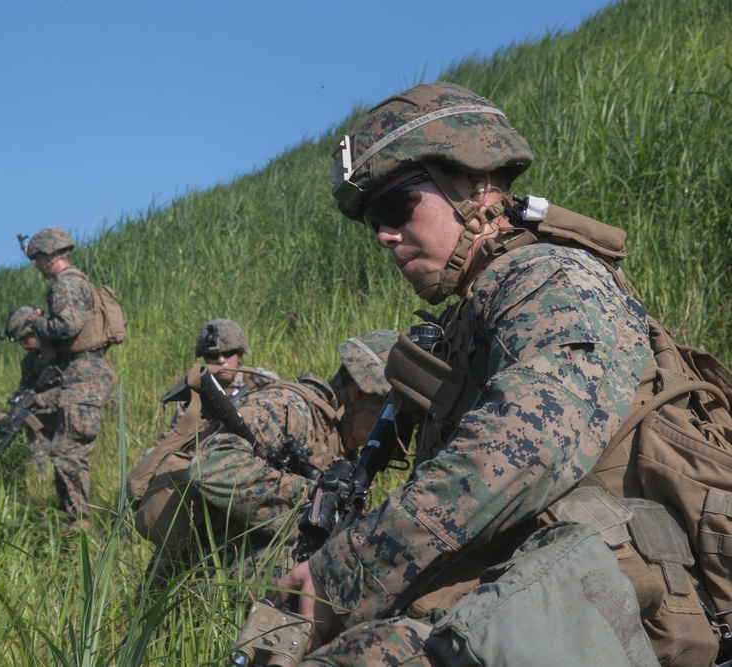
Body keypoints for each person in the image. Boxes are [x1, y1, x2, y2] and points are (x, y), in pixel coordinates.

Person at [274, 82, 703, 666]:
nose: (383, 235)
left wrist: (346, 572)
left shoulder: (550, 276)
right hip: (533, 585)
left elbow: (527, 444)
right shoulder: (471, 319)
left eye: (395, 208)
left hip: (616, 596)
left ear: (474, 185)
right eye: (372, 220)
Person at [133, 330, 398, 588]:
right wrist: (313, 500)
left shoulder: (334, 437)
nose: (392, 434)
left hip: (223, 563)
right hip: (191, 576)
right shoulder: (289, 408)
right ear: (359, 395)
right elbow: (210, 467)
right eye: (387, 417)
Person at [21, 226, 117, 521]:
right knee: (63, 446)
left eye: (37, 259)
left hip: (83, 372)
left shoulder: (65, 284)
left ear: (49, 256)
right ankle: (76, 518)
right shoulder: (78, 281)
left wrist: (36, 323)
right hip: (83, 371)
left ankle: (78, 524)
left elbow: (68, 325)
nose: (36, 266)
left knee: (67, 452)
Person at [168, 318, 279, 426]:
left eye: (228, 353)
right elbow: (176, 436)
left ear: (239, 355)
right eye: (213, 355)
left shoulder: (262, 380)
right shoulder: (194, 392)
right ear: (205, 358)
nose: (221, 360)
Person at [0, 305, 61, 467]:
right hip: (51, 407)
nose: (23, 346)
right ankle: (43, 472)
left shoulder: (62, 346)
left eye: (24, 340)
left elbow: (77, 385)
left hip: (73, 400)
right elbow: (26, 388)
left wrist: (41, 399)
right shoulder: (30, 361)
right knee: (28, 418)